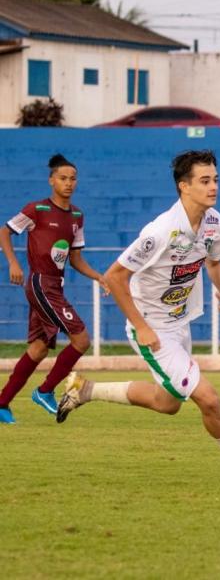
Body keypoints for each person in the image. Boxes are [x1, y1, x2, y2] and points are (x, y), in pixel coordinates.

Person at [56, 150, 220, 484]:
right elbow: (114, 277)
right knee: (209, 400)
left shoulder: (214, 222)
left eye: (215, 179)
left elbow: (213, 262)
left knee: (167, 403)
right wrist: (142, 327)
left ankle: (85, 390)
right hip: (152, 328)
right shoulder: (161, 231)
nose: (213, 186)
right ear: (184, 186)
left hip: (179, 324)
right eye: (204, 181)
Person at [0, 154, 108, 424]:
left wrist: (99, 277)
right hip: (40, 284)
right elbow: (4, 231)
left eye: (73, 179)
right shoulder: (36, 209)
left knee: (37, 350)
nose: (68, 183)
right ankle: (45, 391)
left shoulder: (77, 216)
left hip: (54, 288)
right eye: (63, 178)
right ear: (51, 181)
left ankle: (1, 404)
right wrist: (14, 263)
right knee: (81, 340)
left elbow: (75, 259)